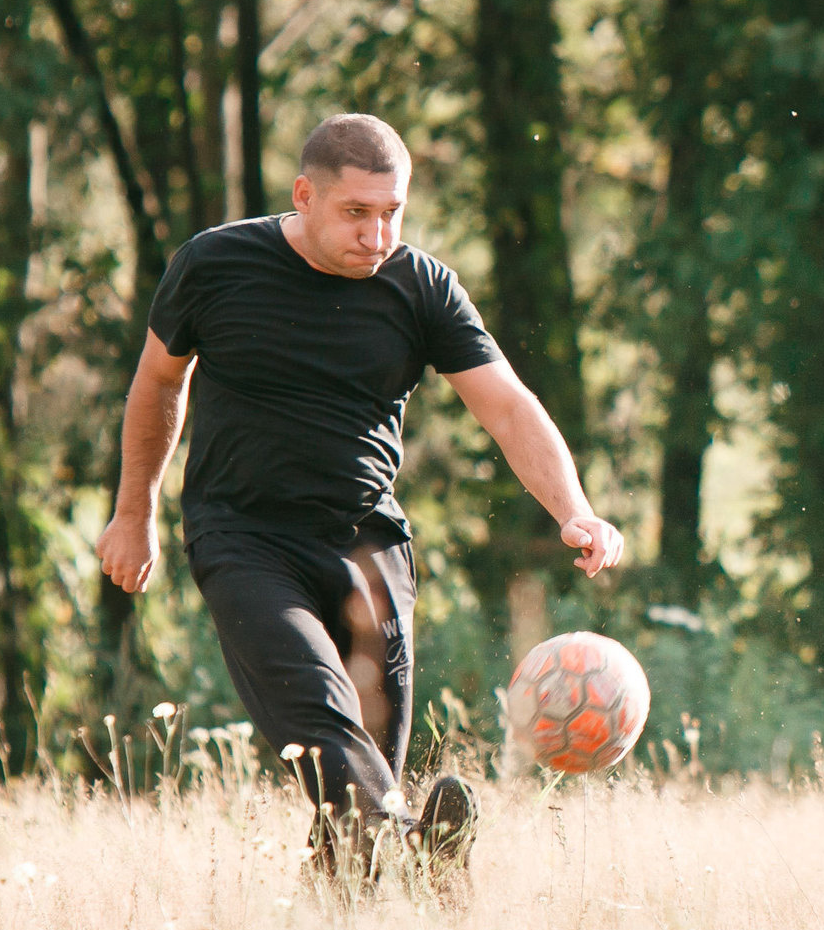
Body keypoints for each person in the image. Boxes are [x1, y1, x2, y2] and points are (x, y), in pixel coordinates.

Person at [96, 113, 625, 885]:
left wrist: (571, 507)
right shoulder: (214, 265)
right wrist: (133, 511)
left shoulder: (420, 287)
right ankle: (422, 858)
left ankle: (377, 888)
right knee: (325, 721)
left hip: (368, 544)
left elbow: (507, 405)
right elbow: (158, 382)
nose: (378, 236)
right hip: (244, 539)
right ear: (303, 196)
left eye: (392, 213)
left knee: (363, 783)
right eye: (356, 213)